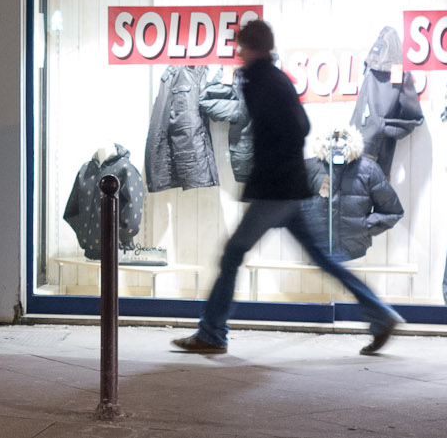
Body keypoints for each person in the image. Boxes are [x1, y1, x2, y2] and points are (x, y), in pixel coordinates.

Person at [171, 19, 405, 356]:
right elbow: (303, 124)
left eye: (241, 47)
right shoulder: (278, 79)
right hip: (289, 188)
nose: (239, 54)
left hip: (274, 190)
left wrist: (269, 172)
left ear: (251, 48)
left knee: (233, 253)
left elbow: (281, 132)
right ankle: (380, 315)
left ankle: (212, 333)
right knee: (323, 259)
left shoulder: (260, 81)